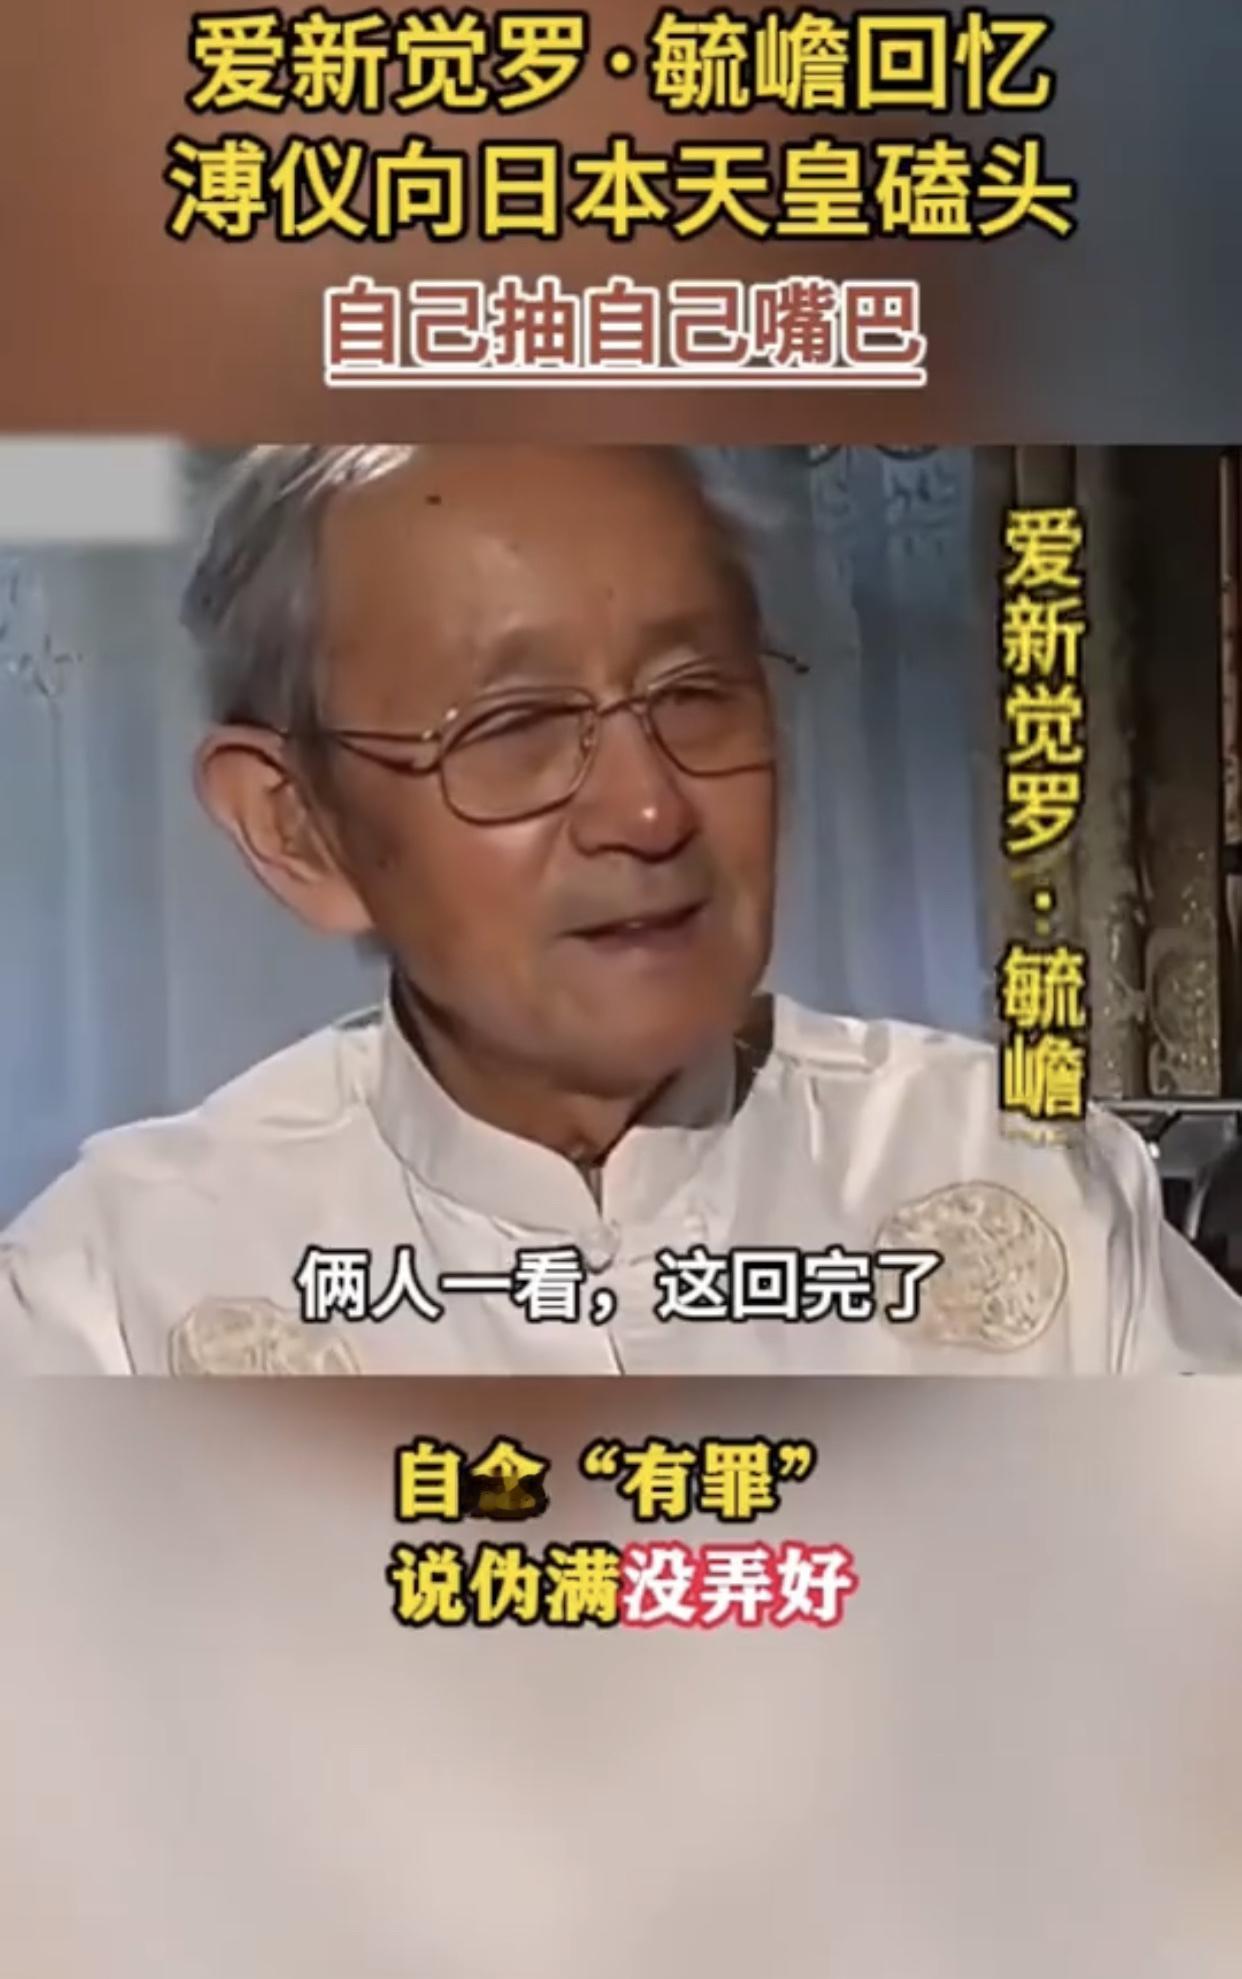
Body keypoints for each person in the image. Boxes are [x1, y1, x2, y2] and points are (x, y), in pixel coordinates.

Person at [1, 444, 1239, 1375]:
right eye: (514, 726)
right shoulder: (115, 1298)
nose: (648, 810)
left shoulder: (1027, 1182)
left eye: (697, 693)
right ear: (296, 825)